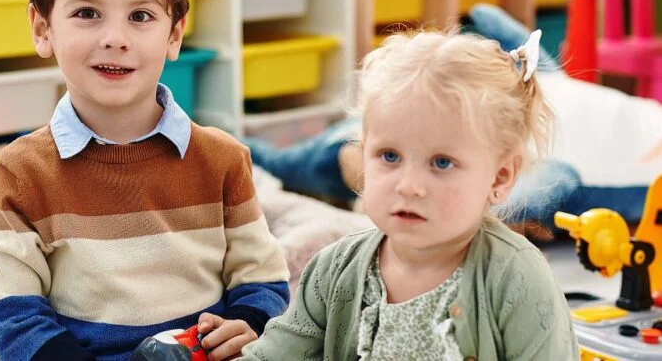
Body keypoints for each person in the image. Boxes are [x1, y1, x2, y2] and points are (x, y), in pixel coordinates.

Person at [0, 0, 289, 361]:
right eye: (87, 13)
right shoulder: (23, 170)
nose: (115, 38)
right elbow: (8, 306)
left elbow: (261, 278)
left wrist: (249, 323)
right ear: (43, 29)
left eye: (140, 16)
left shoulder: (223, 159)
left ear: (174, 35)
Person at [240, 29, 579, 360]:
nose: (408, 186)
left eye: (441, 162)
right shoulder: (334, 269)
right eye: (390, 156)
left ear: (500, 177)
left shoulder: (518, 280)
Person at [245, 4, 658, 239]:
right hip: (438, 98)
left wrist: (481, 215)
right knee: (279, 160)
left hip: (482, 130)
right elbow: (535, 62)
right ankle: (353, 157)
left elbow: (557, 179)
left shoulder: (633, 174)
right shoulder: (559, 87)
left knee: (286, 163)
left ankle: (354, 162)